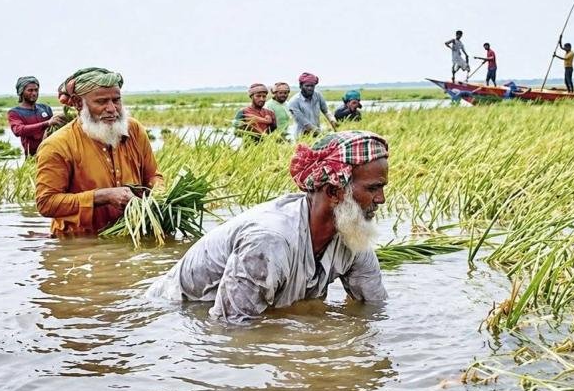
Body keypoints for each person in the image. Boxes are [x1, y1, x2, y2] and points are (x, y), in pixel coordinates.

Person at [147, 130, 389, 323]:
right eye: (373, 188)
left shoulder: (352, 235)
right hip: (177, 312)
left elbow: (374, 307)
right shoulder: (269, 241)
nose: (381, 199)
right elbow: (230, 328)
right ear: (334, 192)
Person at [35, 67, 163, 236]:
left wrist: (160, 198)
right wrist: (103, 196)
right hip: (80, 241)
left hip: (132, 233)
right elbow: (46, 203)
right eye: (102, 102)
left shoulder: (134, 130)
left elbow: (153, 176)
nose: (112, 109)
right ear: (79, 103)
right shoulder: (57, 145)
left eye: (116, 100)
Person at [8, 76, 63, 156]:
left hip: (51, 154)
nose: (34, 93)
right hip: (32, 157)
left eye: (36, 90)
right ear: (21, 92)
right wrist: (47, 123)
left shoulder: (45, 108)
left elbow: (54, 129)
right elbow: (18, 130)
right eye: (30, 90)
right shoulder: (15, 112)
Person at [288, 72, 337, 137]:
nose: (310, 88)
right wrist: (322, 134)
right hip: (301, 135)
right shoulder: (294, 101)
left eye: (312, 86)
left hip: (317, 133)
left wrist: (332, 120)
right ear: (300, 86)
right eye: (307, 86)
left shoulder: (317, 95)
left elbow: (326, 111)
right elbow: (305, 123)